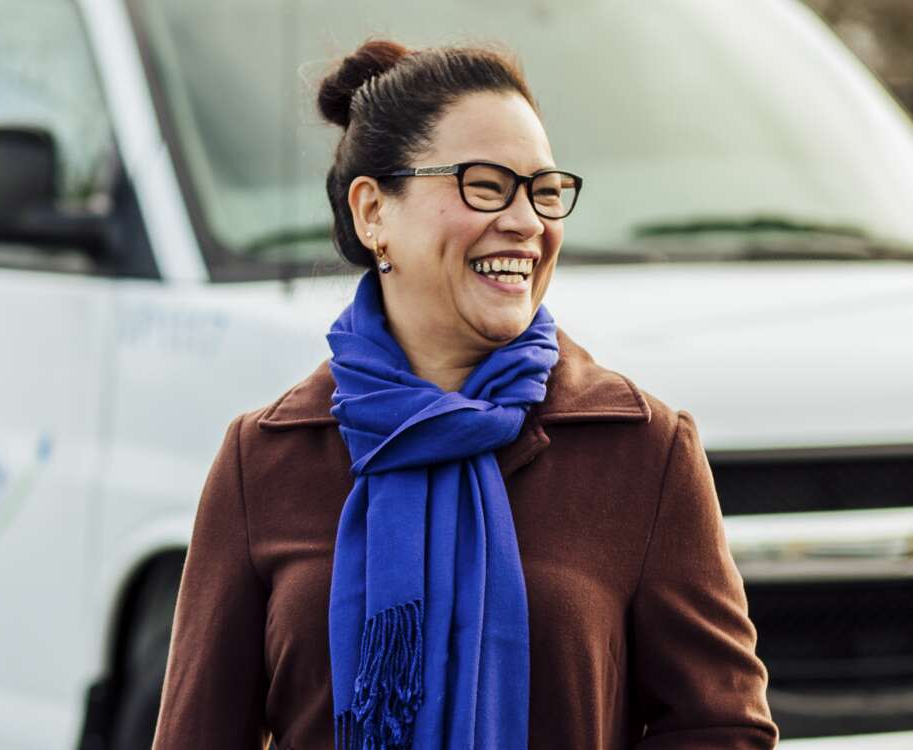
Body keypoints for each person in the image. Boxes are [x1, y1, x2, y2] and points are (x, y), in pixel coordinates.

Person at [151, 39, 777, 749]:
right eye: (485, 184)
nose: (527, 222)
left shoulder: (639, 448)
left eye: (544, 191)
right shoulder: (264, 459)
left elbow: (720, 728)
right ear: (373, 213)